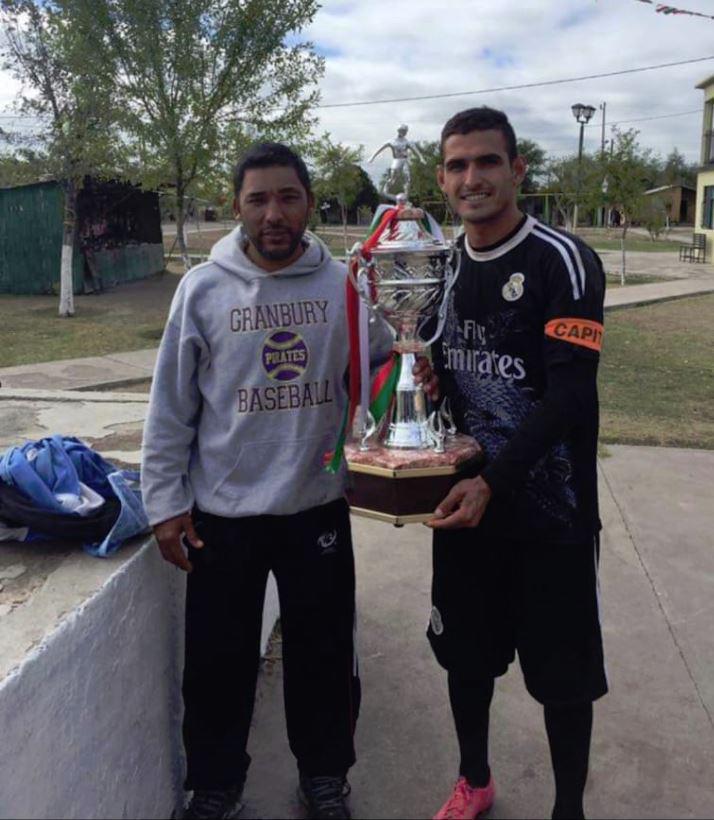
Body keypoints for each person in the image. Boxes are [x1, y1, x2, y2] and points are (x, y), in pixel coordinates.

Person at [141, 142, 392, 820]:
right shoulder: (203, 289)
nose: (273, 213)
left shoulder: (344, 286)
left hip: (317, 505)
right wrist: (164, 505)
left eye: (287, 197)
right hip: (223, 514)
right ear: (237, 207)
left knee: (324, 656)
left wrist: (406, 374)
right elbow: (170, 407)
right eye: (258, 200)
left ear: (309, 203)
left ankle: (325, 778)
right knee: (217, 662)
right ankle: (215, 784)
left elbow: (384, 362)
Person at [423, 107, 607, 820]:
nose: (472, 178)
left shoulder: (563, 261)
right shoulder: (442, 268)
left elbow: (570, 394)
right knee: (466, 661)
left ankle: (568, 809)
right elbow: (444, 371)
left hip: (550, 515)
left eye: (487, 161)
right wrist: (429, 384)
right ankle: (475, 780)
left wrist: (493, 484)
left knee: (564, 681)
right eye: (458, 165)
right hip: (464, 510)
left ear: (517, 169)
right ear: (443, 179)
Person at [368, 124, 425, 200]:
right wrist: (372, 157)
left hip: (404, 160)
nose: (405, 133)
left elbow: (416, 150)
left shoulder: (407, 142)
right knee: (393, 178)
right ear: (399, 131)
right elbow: (380, 149)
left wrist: (421, 158)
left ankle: (406, 196)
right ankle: (385, 190)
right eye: (404, 131)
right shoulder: (392, 142)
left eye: (406, 131)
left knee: (407, 177)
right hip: (396, 160)